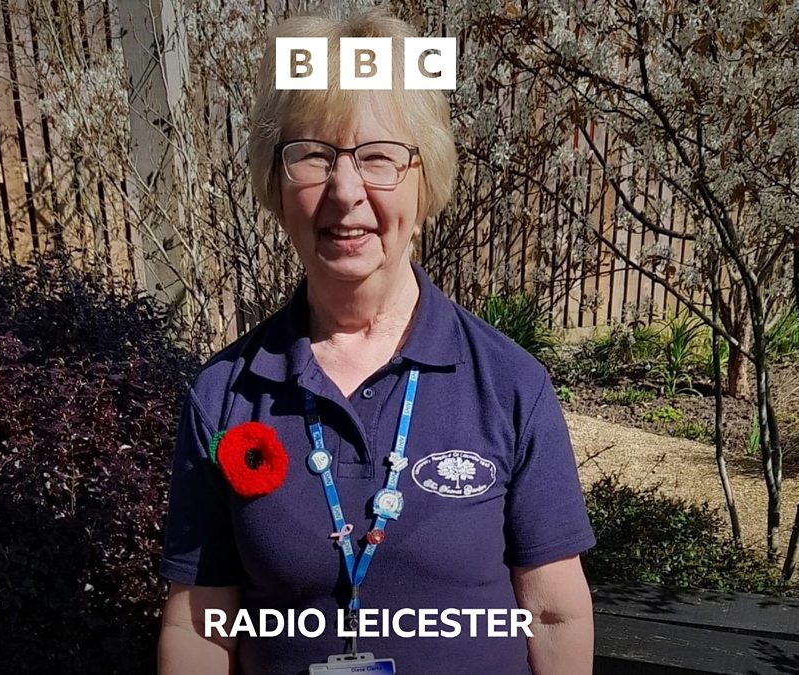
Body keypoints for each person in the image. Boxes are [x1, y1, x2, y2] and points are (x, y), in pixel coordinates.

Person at [157, 9, 595, 674]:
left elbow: (555, 613)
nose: (345, 190)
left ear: (426, 180)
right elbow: (200, 625)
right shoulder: (224, 395)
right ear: (277, 183)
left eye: (378, 157)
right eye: (312, 155)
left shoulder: (509, 385)